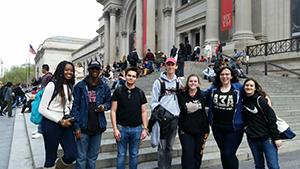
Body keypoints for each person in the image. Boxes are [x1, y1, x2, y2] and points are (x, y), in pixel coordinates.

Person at [71, 60, 112, 169]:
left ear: (100, 70)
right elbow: (75, 107)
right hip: (83, 127)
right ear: (88, 70)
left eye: (97, 68)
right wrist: (77, 127)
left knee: (92, 158)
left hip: (98, 127)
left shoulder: (104, 86)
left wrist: (104, 107)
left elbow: (109, 102)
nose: (94, 71)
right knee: (81, 158)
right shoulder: (79, 86)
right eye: (92, 68)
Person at [39, 61, 77, 169]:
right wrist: (59, 121)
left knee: (72, 155)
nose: (69, 72)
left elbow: (69, 106)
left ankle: (57, 167)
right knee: (50, 158)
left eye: (71, 70)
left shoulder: (70, 86)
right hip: (51, 124)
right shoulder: (52, 85)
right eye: (67, 69)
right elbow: (42, 109)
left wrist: (68, 117)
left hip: (66, 123)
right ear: (61, 70)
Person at [206, 66, 244, 169]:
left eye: (227, 74)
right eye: (222, 74)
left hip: (234, 127)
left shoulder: (238, 88)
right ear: (219, 76)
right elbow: (203, 95)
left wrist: (266, 98)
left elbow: (252, 94)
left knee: (228, 153)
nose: (225, 76)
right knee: (223, 153)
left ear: (231, 76)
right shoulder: (214, 88)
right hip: (218, 127)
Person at [110, 67, 148, 169]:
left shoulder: (140, 93)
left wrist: (145, 128)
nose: (131, 78)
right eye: (129, 75)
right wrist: (115, 129)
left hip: (136, 129)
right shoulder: (118, 91)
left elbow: (144, 111)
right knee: (121, 154)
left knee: (134, 154)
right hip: (121, 128)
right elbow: (113, 111)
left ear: (136, 78)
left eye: (133, 76)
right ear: (125, 76)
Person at [243, 78, 282, 169]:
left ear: (255, 88)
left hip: (266, 138)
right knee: (259, 165)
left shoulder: (260, 100)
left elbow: (271, 118)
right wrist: (246, 128)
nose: (249, 87)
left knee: (273, 166)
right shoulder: (243, 100)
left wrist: (276, 137)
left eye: (251, 85)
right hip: (252, 139)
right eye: (247, 85)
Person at [150, 57, 182, 169]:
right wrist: (162, 114)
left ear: (176, 66)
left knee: (170, 147)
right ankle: (161, 167)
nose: (170, 67)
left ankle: (167, 167)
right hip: (162, 119)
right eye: (168, 64)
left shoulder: (178, 82)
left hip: (174, 119)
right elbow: (153, 102)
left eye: (172, 64)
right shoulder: (158, 82)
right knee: (162, 147)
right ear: (165, 66)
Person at [177, 74, 209, 169]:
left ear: (198, 83)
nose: (193, 83)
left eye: (195, 81)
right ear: (187, 83)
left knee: (198, 153)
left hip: (201, 130)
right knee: (187, 153)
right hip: (185, 130)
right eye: (191, 81)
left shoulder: (203, 95)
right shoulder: (182, 95)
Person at [32, 64, 53, 139]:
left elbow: (48, 88)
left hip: (44, 96)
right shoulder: (44, 77)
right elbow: (36, 83)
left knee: (42, 112)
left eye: (42, 69)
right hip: (42, 95)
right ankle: (39, 129)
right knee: (40, 112)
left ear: (45, 69)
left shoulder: (49, 76)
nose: (41, 70)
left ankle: (40, 130)